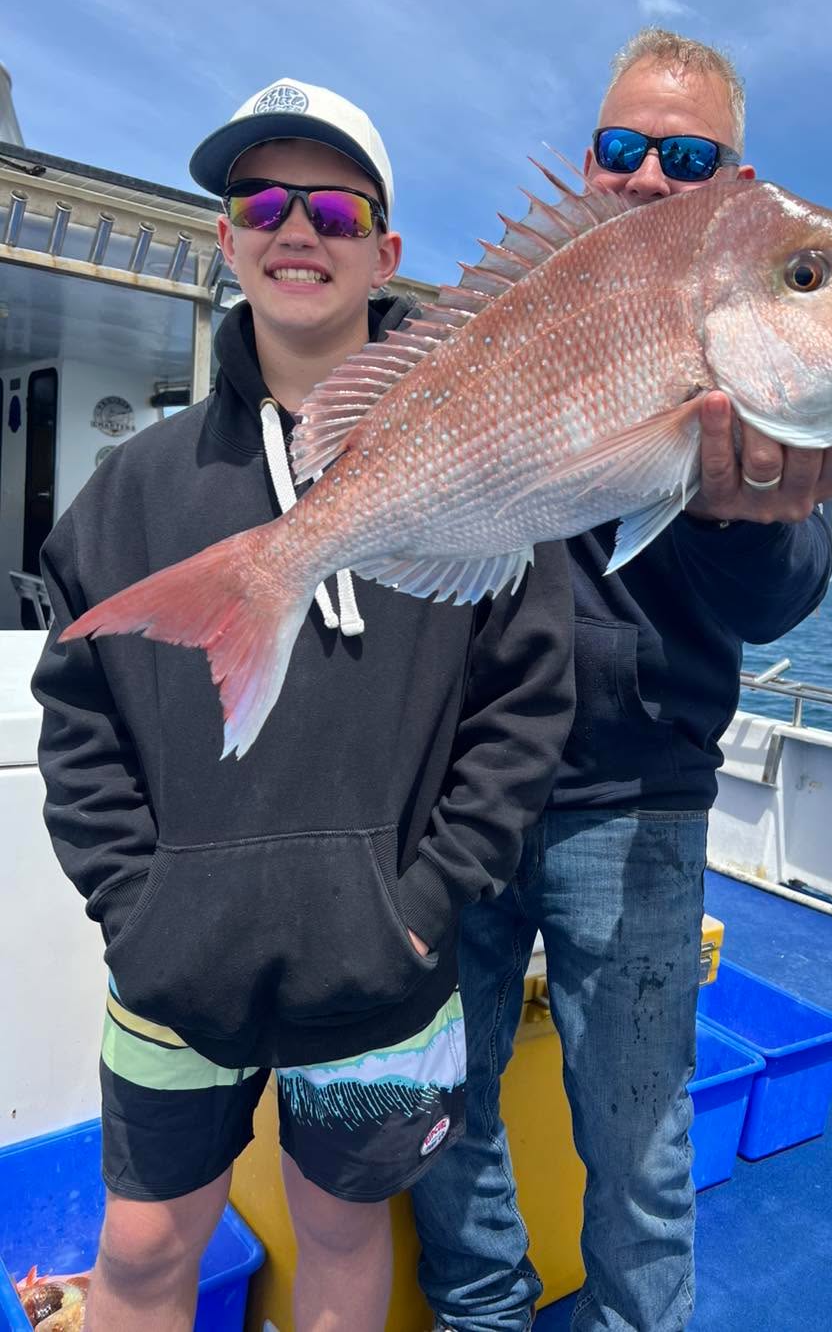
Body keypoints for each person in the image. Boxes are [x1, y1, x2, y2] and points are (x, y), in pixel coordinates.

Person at [31, 78, 574, 1332]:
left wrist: (424, 908)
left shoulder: (490, 451)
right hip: (174, 975)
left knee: (340, 1246)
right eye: (262, 199)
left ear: (385, 252)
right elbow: (79, 713)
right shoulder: (133, 486)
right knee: (144, 1254)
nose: (297, 227)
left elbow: (525, 701)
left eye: (334, 207)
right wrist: (137, 905)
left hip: (384, 975)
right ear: (225, 236)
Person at [411, 29, 832, 1332]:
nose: (650, 174)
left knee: (643, 1151)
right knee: (444, 1105)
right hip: (462, 789)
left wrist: (739, 503)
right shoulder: (498, 325)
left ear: (737, 180)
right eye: (621, 149)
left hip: (641, 799)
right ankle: (482, 1312)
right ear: (589, 166)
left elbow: (785, 597)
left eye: (688, 154)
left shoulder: (766, 332)